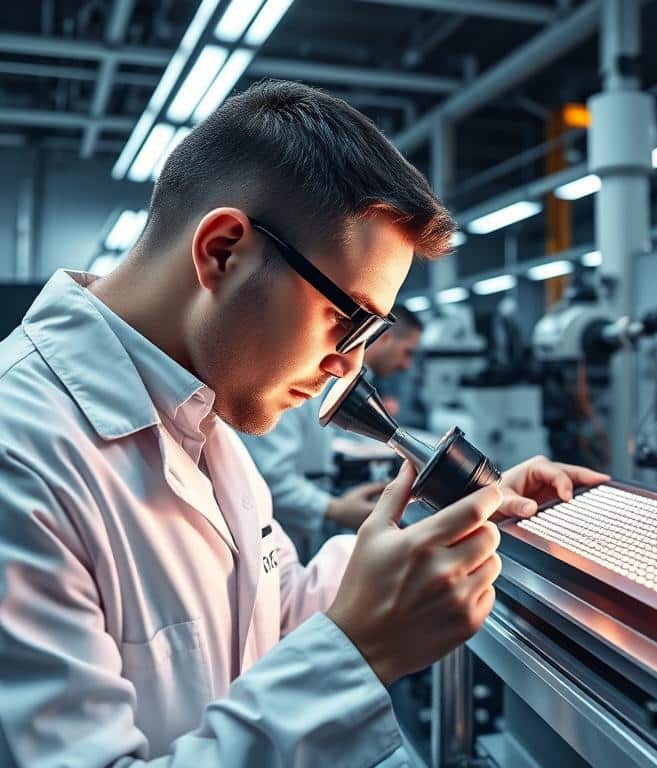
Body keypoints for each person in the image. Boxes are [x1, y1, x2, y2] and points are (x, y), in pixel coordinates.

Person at [0, 79, 608, 767]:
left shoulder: (201, 420)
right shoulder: (19, 454)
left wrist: (457, 523)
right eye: (346, 321)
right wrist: (361, 652)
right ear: (224, 250)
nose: (344, 371)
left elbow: (274, 617)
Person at [239, 308, 423, 563]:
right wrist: (333, 509)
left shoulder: (330, 383)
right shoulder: (288, 381)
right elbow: (271, 479)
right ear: (382, 336)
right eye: (408, 352)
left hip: (305, 538)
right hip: (280, 537)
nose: (406, 364)